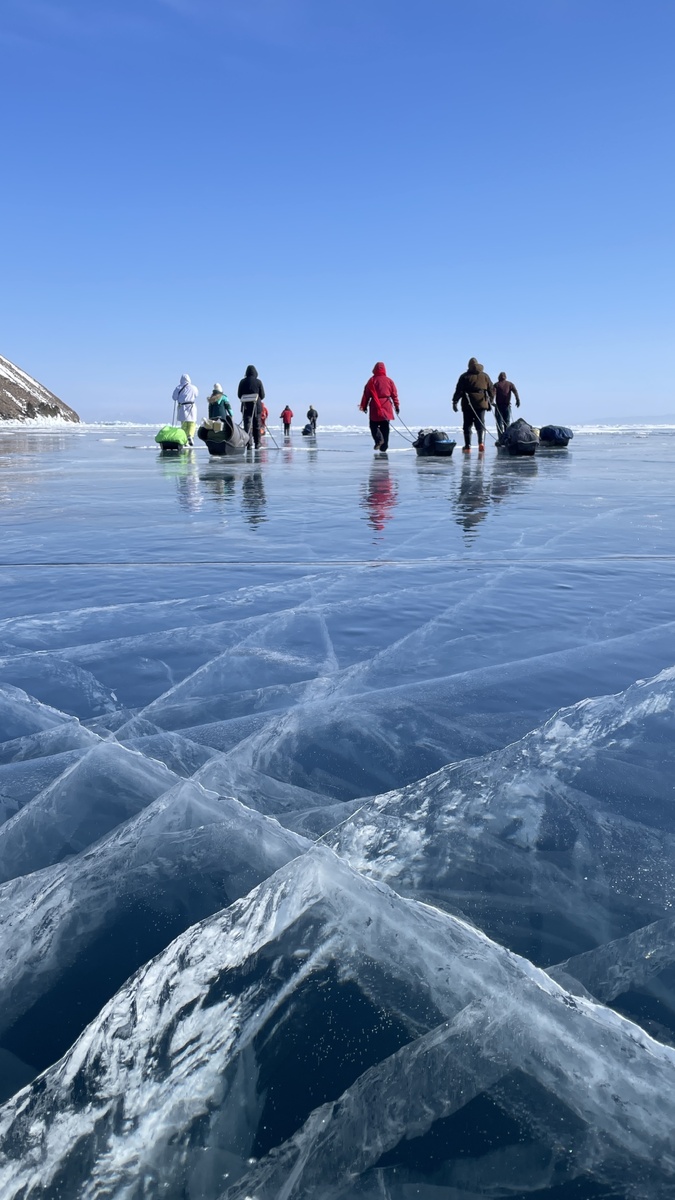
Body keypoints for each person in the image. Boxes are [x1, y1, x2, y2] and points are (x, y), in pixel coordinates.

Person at [451, 358, 494, 452]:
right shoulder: (485, 376)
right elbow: (491, 388)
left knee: (467, 425)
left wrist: (455, 402)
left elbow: (459, 390)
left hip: (468, 403)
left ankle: (467, 446)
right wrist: (491, 400)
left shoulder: (464, 376)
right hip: (482, 403)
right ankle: (481, 443)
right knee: (480, 423)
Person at [359, 361, 400, 452]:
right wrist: (397, 406)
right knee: (385, 426)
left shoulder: (371, 380)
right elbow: (394, 395)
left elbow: (366, 395)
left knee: (373, 425)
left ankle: (379, 440)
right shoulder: (390, 381)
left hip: (375, 405)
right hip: (386, 405)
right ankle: (384, 447)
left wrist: (364, 406)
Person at [237, 365, 265, 449]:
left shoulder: (242, 382)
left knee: (247, 425)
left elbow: (239, 395)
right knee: (257, 424)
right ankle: (257, 443)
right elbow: (262, 395)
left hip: (245, 406)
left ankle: (248, 443)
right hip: (256, 406)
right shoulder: (258, 382)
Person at [173, 374, 198, 445]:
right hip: (191, 406)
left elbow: (174, 397)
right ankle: (190, 436)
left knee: (184, 424)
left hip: (182, 407)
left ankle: (184, 440)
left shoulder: (178, 387)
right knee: (192, 423)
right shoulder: (194, 387)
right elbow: (196, 395)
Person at [493, 372, 521, 437]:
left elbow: (493, 394)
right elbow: (515, 391)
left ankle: (503, 438)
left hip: (503, 406)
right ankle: (505, 437)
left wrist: (518, 400)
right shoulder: (507, 384)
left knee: (501, 423)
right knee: (506, 422)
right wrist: (517, 400)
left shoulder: (497, 384)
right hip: (502, 406)